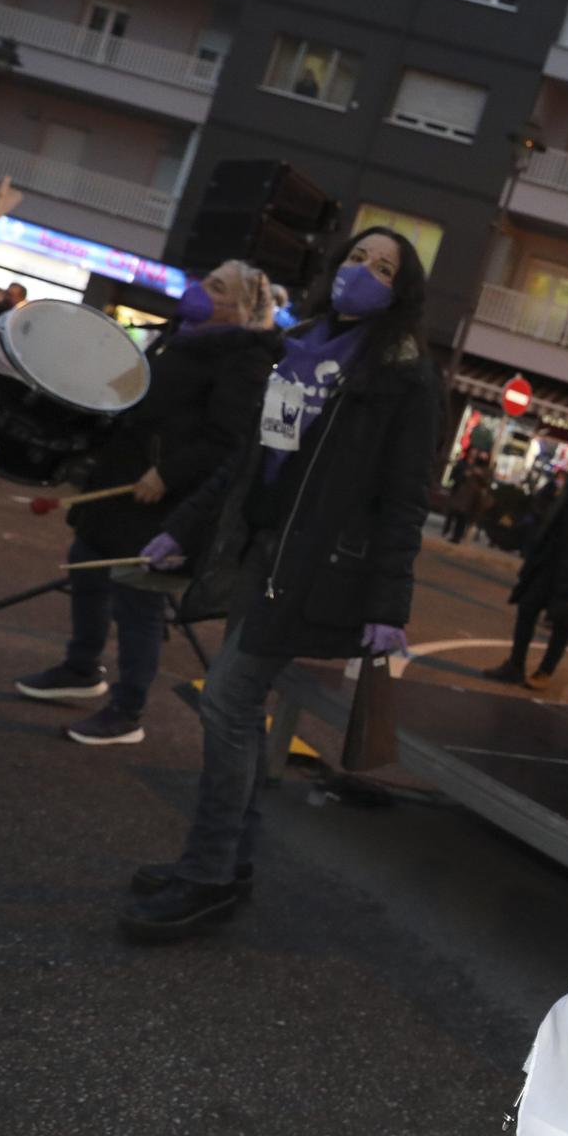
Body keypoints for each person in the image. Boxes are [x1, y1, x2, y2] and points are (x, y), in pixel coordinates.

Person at [116, 227, 440, 942]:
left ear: (400, 291)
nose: (364, 272)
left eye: (383, 267)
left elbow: (404, 498)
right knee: (234, 708)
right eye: (358, 257)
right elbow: (249, 462)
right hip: (259, 554)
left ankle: (207, 873)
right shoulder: (301, 345)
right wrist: (188, 529)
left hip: (319, 571)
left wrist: (389, 604)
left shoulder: (402, 375)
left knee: (228, 703)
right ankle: (226, 864)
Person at [12, 261, 280, 744]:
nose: (200, 289)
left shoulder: (243, 359)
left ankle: (127, 710)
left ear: (242, 309)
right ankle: (81, 666)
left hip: (162, 497)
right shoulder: (183, 337)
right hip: (124, 481)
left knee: (138, 602)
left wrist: (168, 472)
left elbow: (228, 440)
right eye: (205, 279)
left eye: (216, 287)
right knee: (85, 564)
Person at [484, 444, 568, 688]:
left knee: (563, 622)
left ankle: (545, 671)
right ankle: (516, 664)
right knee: (527, 607)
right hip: (550, 561)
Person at [443, 448, 491, 543]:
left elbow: (487, 483)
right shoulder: (468, 465)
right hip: (462, 493)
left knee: (464, 517)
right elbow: (457, 475)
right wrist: (465, 475)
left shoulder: (486, 470)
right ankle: (449, 531)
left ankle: (458, 536)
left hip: (473, 498)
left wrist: (480, 476)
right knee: (454, 513)